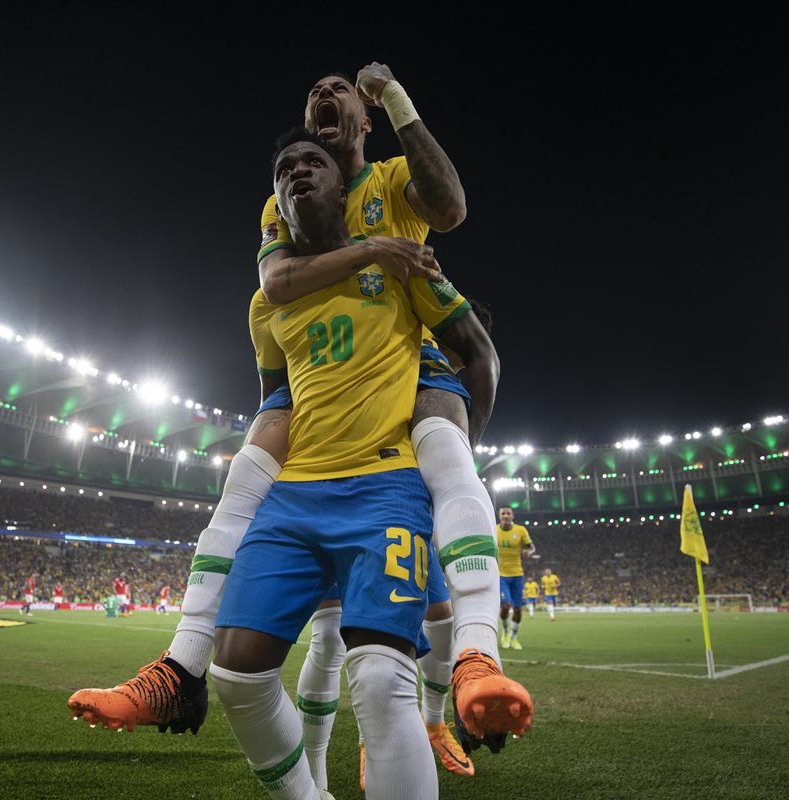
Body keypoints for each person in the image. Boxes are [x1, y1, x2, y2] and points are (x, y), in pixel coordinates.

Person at [68, 66, 520, 769]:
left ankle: (461, 679)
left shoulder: (392, 180)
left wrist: (393, 96)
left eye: (336, 89)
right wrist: (372, 249)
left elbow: (452, 212)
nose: (321, 97)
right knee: (261, 474)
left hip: (403, 367)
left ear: (362, 121)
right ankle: (186, 669)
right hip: (318, 410)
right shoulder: (280, 215)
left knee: (398, 623)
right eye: (312, 96)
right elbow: (274, 285)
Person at [210, 130, 527, 800]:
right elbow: (273, 399)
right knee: (235, 673)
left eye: (313, 163)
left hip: (385, 485)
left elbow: (479, 353)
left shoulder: (402, 268)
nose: (299, 172)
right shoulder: (268, 303)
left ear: (342, 188)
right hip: (296, 497)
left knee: (381, 680)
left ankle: (470, 667)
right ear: (275, 205)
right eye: (284, 169)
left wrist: (450, 452)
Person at [496, 507, 534, 650]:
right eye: (503, 514)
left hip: (517, 575)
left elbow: (531, 547)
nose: (506, 515)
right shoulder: (494, 530)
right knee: (505, 606)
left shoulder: (520, 531)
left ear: (513, 516)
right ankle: (505, 632)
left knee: (518, 610)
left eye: (508, 513)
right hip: (501, 575)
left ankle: (513, 638)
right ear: (499, 517)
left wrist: (528, 552)